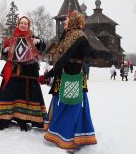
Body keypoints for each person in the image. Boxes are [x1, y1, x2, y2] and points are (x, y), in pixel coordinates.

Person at [37, 10, 112, 152]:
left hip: (73, 77)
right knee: (60, 103)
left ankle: (72, 139)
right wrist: (51, 73)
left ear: (73, 21)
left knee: (72, 106)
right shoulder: (67, 35)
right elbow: (60, 58)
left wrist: (104, 53)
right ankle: (57, 133)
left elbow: (89, 52)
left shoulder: (80, 37)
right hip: (63, 76)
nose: (64, 21)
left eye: (67, 19)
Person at [0, 16, 47, 131]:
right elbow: (6, 51)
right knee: (9, 94)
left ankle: (23, 119)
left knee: (26, 96)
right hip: (13, 71)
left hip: (29, 73)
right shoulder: (11, 39)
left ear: (29, 25)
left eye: (26, 23)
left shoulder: (33, 38)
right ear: (18, 24)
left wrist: (40, 41)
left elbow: (43, 46)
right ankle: (4, 119)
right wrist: (4, 50)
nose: (23, 25)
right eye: (21, 23)